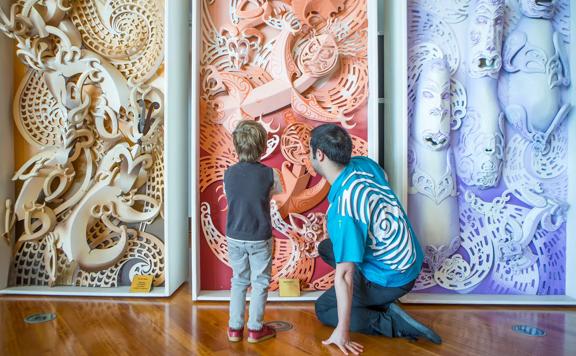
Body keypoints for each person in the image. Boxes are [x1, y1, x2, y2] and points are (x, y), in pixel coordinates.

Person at [309, 124, 442, 355]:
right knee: (327, 248)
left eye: (309, 151)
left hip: (393, 276)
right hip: (408, 257)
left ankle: (392, 322)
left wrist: (343, 330)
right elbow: (384, 180)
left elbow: (345, 275)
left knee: (325, 308)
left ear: (319, 154)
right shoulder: (364, 164)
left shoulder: (344, 209)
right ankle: (377, 299)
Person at [224, 120, 282, 343]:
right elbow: (274, 195)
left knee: (238, 280)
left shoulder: (228, 173)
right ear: (263, 147)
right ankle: (256, 329)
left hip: (234, 235)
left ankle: (234, 328)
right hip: (259, 236)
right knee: (260, 282)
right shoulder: (270, 174)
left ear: (236, 146)